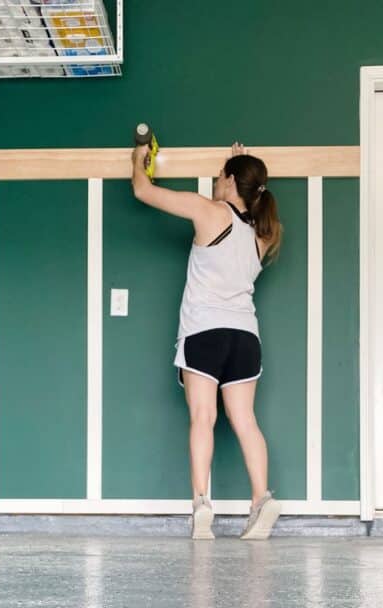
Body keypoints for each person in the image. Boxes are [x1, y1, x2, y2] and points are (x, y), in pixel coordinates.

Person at [131, 140, 283, 540]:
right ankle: (260, 501)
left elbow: (143, 191)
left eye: (221, 175)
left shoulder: (208, 211)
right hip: (245, 337)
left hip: (204, 332)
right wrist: (239, 165)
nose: (217, 180)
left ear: (231, 182)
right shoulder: (262, 235)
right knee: (245, 420)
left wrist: (138, 161)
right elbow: (244, 200)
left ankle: (201, 504)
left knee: (203, 418)